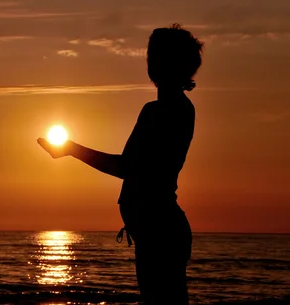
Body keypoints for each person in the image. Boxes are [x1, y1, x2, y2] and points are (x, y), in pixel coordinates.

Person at [38, 24, 204, 305]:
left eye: (154, 55)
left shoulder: (160, 112)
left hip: (158, 230)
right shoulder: (179, 109)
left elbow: (127, 167)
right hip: (159, 228)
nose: (149, 62)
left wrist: (70, 150)